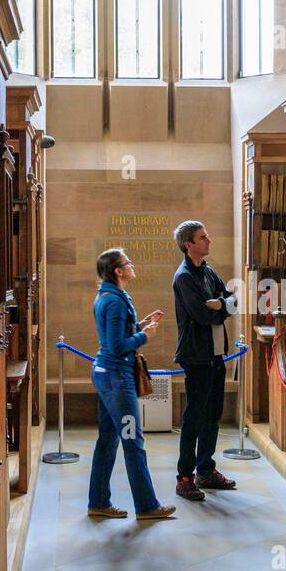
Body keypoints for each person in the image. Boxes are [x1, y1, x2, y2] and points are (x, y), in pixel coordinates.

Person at [87, 248, 176, 521]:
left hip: (106, 374)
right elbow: (116, 346)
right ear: (117, 271)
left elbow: (117, 334)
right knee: (132, 440)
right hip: (117, 378)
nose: (132, 266)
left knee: (108, 439)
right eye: (128, 263)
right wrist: (144, 336)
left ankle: (99, 502)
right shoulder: (113, 301)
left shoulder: (109, 295)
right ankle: (147, 506)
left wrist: (140, 325)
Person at [172, 221, 238, 501]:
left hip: (216, 353)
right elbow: (201, 316)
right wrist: (221, 307)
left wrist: (220, 304)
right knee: (194, 417)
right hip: (196, 355)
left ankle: (206, 470)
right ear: (189, 244)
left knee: (213, 415)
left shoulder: (208, 271)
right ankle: (184, 477)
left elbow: (234, 300)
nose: (209, 240)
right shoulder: (184, 276)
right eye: (203, 237)